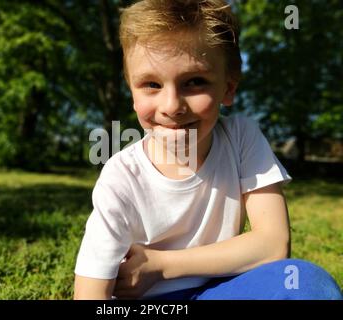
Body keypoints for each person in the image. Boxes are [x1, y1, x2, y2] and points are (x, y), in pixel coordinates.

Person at [73, 0, 343, 300]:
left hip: (222, 290)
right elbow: (90, 293)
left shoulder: (241, 138)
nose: (172, 106)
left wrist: (159, 265)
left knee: (307, 283)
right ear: (131, 92)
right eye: (151, 84)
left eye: (194, 82)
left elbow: (273, 244)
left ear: (228, 88)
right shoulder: (121, 176)